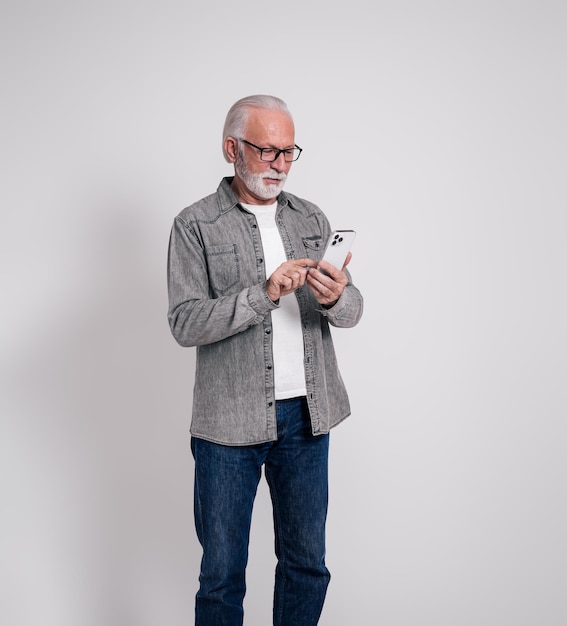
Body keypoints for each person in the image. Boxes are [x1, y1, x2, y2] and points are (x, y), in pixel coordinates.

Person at [167, 94, 363, 626]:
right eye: (266, 151)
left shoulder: (310, 216)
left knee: (306, 565)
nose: (280, 164)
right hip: (227, 425)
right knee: (222, 575)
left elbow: (352, 312)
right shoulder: (195, 225)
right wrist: (263, 293)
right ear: (231, 148)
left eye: (288, 151)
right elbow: (184, 322)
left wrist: (334, 296)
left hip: (308, 416)